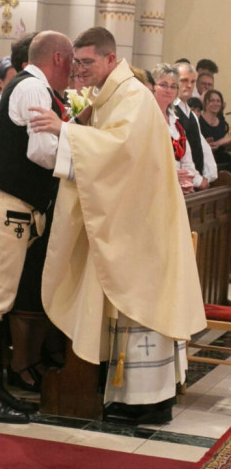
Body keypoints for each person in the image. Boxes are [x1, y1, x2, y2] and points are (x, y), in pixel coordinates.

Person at [31, 27, 206, 425]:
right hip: (131, 219)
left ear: (111, 59)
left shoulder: (132, 97)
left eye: (87, 62)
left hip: (141, 227)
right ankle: (132, 398)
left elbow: (118, 152)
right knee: (130, 309)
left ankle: (148, 403)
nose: (80, 69)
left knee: (140, 310)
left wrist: (64, 130)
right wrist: (77, 126)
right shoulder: (112, 95)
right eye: (77, 62)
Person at [0, 30, 74, 424]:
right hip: (1, 207)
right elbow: (41, 152)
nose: (74, 70)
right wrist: (82, 156)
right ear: (58, 58)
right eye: (72, 61)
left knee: (0, 300)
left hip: (9, 208)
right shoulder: (31, 88)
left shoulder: (37, 87)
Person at [151, 63, 206, 193]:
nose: (168, 90)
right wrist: (171, 177)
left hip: (177, 189)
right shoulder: (147, 118)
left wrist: (191, 181)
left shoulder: (176, 123)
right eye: (163, 85)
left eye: (173, 86)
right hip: (155, 188)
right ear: (152, 87)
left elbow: (187, 161)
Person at [174, 62, 218, 183]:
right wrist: (197, 180)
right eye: (184, 80)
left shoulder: (192, 115)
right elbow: (178, 152)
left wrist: (208, 176)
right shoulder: (171, 112)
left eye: (192, 82)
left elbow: (203, 147)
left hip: (195, 179)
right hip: (181, 179)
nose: (189, 85)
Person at [199, 89, 231, 166]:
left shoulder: (222, 123)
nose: (215, 104)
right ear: (205, 102)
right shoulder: (198, 120)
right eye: (212, 101)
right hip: (203, 160)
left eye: (218, 101)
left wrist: (220, 142)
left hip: (221, 160)